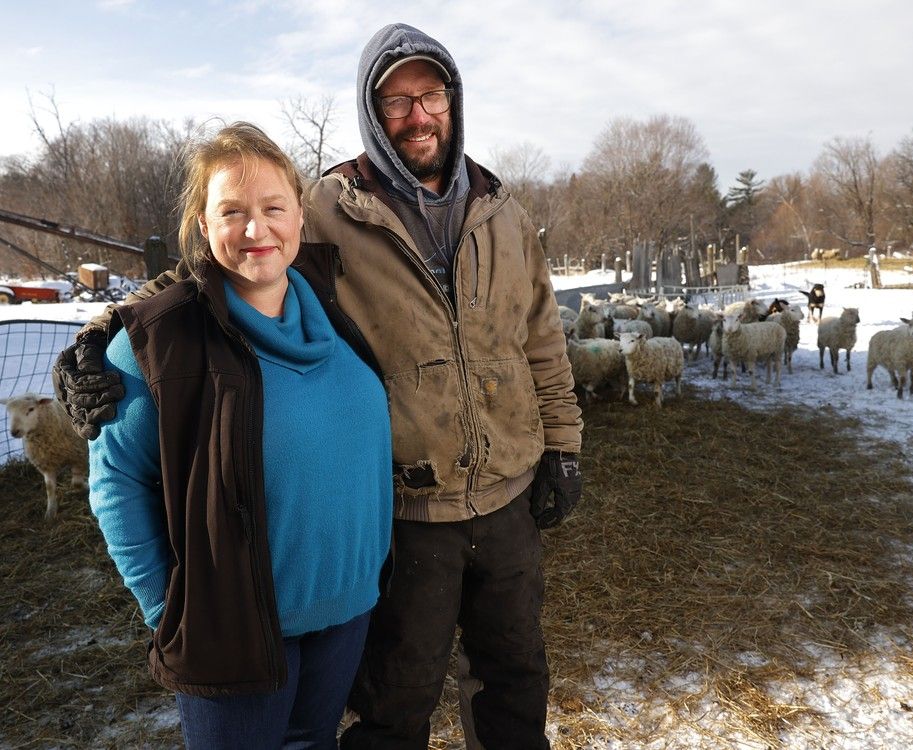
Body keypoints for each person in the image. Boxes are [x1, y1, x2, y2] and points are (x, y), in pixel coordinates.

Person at [54, 23, 583, 749]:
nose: (417, 116)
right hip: (412, 506)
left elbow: (542, 340)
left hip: (506, 494)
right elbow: (225, 259)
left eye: (430, 96)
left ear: (453, 102)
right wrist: (101, 329)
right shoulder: (335, 207)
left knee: (518, 675)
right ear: (372, 113)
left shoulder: (503, 211)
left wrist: (563, 445)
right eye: (395, 103)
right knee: (398, 696)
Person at [86, 122, 392, 749]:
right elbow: (115, 481)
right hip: (232, 630)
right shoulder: (163, 341)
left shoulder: (336, 310)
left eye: (273, 207)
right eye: (232, 212)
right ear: (204, 225)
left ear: (299, 216)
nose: (257, 230)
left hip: (346, 611)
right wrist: (170, 611)